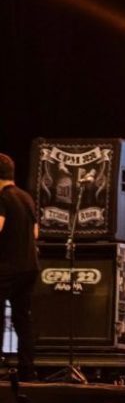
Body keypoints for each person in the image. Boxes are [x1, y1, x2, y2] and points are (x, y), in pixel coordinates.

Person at [0, 152, 39, 380]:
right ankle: (27, 370)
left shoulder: (2, 198)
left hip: (7, 268)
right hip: (29, 267)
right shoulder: (26, 198)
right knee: (22, 318)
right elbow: (35, 232)